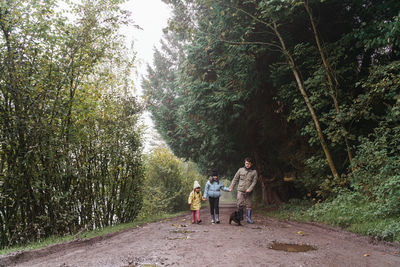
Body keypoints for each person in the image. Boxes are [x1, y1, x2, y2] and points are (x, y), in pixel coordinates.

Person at [229, 157, 257, 224]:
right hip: (240, 190)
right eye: (246, 163)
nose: (247, 165)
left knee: (249, 205)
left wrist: (249, 189)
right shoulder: (240, 170)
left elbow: (254, 182)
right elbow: (235, 179)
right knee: (239, 204)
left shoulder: (254, 172)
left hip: (249, 191)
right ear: (245, 163)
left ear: (251, 164)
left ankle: (248, 218)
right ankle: (240, 217)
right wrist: (231, 187)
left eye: (249, 164)